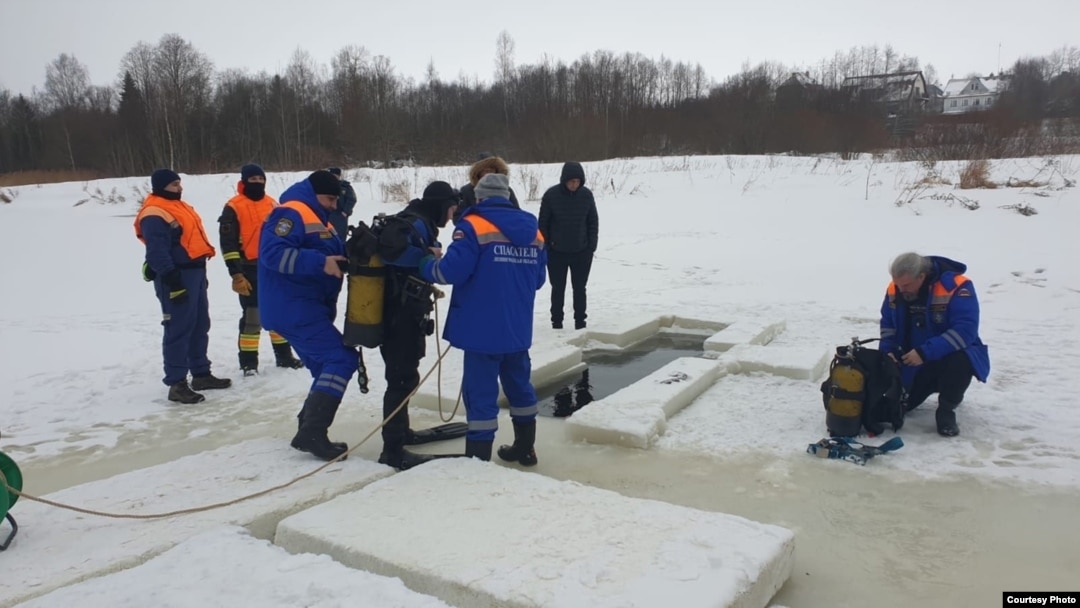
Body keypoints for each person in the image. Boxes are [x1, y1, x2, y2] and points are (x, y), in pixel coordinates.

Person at [419, 173, 547, 464]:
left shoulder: (473, 226)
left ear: (479, 198)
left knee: (480, 396)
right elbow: (538, 279)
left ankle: (478, 461)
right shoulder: (535, 232)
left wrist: (426, 263)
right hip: (517, 328)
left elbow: (450, 272)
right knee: (520, 387)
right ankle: (525, 448)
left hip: (482, 329)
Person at [258, 170, 356, 461]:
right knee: (341, 358)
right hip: (293, 307)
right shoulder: (290, 213)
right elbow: (272, 254)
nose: (334, 205)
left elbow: (328, 253)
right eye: (329, 198)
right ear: (314, 193)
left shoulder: (319, 217)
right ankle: (312, 431)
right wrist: (319, 262)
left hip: (306, 306)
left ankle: (308, 427)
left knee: (325, 366)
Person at [374, 181, 468, 470]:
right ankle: (392, 448)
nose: (452, 215)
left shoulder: (418, 221)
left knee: (406, 374)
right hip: (398, 314)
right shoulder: (414, 221)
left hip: (404, 311)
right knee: (401, 378)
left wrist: (430, 250)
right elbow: (391, 252)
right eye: (451, 208)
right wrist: (426, 257)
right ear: (440, 204)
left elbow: (418, 247)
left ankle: (402, 433)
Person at [134, 169, 232, 404]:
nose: (179, 188)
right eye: (174, 184)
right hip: (176, 275)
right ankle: (177, 383)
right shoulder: (154, 212)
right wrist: (172, 280)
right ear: (161, 186)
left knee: (200, 324)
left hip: (195, 272)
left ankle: (200, 373)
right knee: (178, 328)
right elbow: (157, 250)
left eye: (179, 183)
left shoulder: (180, 207)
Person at [878, 252, 991, 437]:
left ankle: (946, 409)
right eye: (898, 284)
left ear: (921, 276)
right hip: (912, 361)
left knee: (962, 359)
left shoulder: (957, 286)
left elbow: (966, 331)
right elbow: (888, 326)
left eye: (905, 285)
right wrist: (887, 352)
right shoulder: (895, 288)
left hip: (945, 358)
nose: (901, 289)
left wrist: (925, 353)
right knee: (888, 412)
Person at [217, 163, 303, 375]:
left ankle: (284, 356)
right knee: (253, 317)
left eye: (260, 179)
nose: (257, 183)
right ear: (244, 181)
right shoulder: (233, 206)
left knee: (278, 312)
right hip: (248, 268)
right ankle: (249, 363)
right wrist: (236, 274)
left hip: (272, 267)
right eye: (253, 179)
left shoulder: (272, 204)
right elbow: (228, 244)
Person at [538, 162, 598, 330]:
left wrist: (591, 246)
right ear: (564, 180)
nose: (574, 184)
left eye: (577, 181)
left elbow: (593, 221)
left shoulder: (586, 196)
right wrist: (547, 246)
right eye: (571, 181)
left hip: (581, 252)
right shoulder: (551, 196)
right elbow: (543, 224)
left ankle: (580, 322)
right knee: (558, 289)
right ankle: (557, 322)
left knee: (580, 288)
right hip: (557, 252)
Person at [454, 152, 519, 222]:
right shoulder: (467, 191)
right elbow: (458, 217)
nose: (488, 174)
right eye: (484, 171)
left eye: (491, 170)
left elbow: (517, 214)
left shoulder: (505, 190)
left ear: (497, 171)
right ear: (478, 173)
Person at [327, 167, 357, 241]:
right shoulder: (324, 186)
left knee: (340, 236)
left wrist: (345, 212)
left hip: (340, 216)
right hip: (327, 215)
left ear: (338, 176)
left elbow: (352, 199)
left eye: (334, 175)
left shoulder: (345, 187)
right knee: (326, 236)